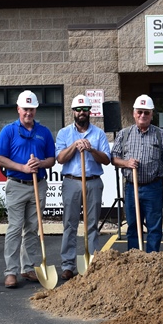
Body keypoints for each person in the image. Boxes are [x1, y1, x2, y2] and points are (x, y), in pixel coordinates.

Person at [0, 90, 56, 288]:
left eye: (31, 109)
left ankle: (27, 267)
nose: (28, 113)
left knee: (32, 228)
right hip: (17, 185)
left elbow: (51, 159)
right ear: (18, 109)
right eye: (25, 109)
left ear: (35, 110)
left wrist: (40, 162)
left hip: (38, 185)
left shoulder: (44, 132)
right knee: (14, 228)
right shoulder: (8, 131)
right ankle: (11, 271)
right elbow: (0, 158)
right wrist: (22, 167)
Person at [110, 94, 163, 252]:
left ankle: (152, 259)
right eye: (139, 112)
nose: (142, 115)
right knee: (133, 225)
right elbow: (113, 158)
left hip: (153, 188)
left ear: (152, 114)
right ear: (134, 113)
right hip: (131, 188)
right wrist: (126, 163)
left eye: (146, 112)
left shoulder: (161, 135)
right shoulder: (124, 134)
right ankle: (135, 259)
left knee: (154, 226)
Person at [55, 94, 110, 280]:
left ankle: (92, 261)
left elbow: (107, 160)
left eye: (85, 109)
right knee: (69, 224)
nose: (81, 113)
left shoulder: (99, 133)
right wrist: (75, 146)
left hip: (93, 181)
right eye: (78, 109)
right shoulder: (64, 133)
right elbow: (60, 158)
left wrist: (91, 149)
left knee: (92, 224)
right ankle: (68, 264)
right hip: (72, 181)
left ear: (90, 112)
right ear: (73, 112)